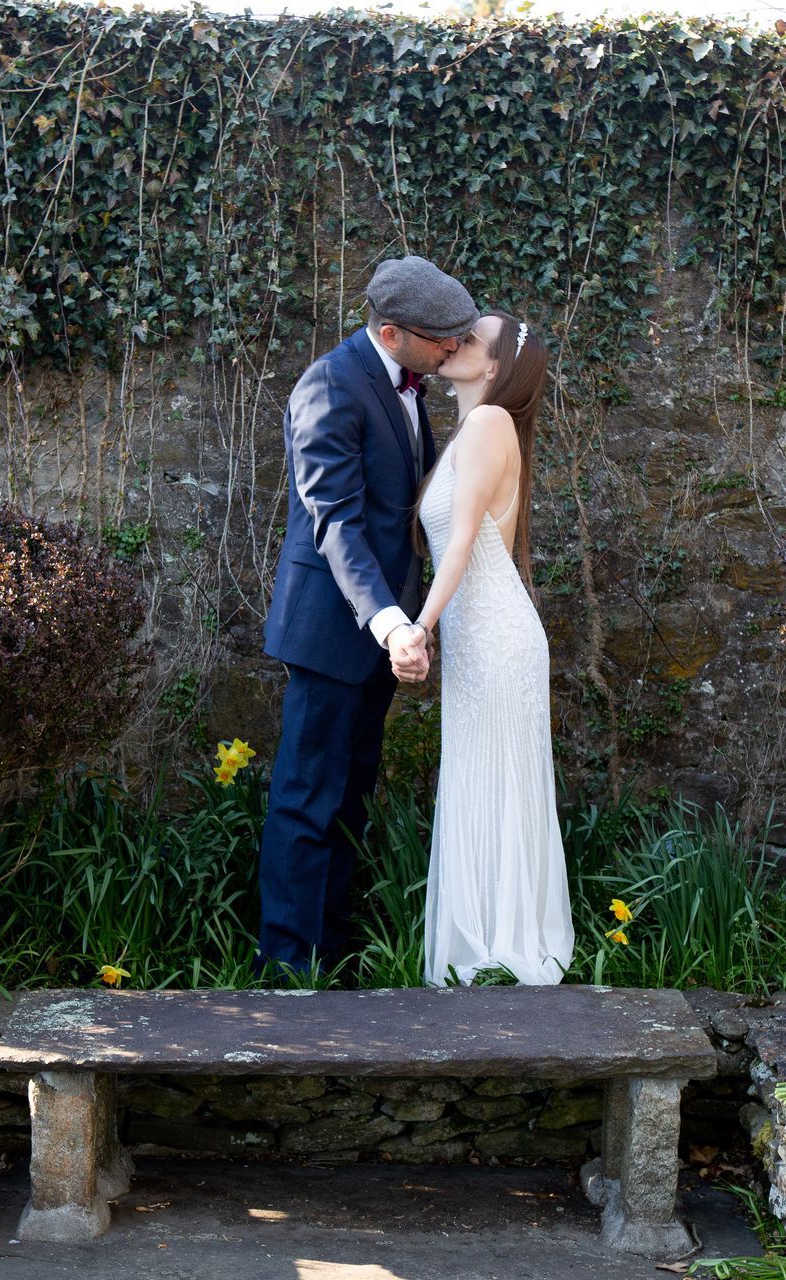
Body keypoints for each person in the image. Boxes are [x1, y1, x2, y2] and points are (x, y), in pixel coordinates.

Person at [256, 255, 478, 977]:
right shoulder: (328, 385)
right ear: (391, 332)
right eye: (441, 338)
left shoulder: (408, 387)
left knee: (349, 799)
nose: (453, 347)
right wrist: (390, 624)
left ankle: (333, 957)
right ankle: (287, 973)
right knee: (306, 801)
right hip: (333, 630)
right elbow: (336, 522)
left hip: (385, 633)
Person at [412, 311, 574, 986]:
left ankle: (501, 948)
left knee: (499, 784)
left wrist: (417, 626)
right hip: (481, 640)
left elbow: (459, 547)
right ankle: (485, 947)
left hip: (497, 640)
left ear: (494, 367)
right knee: (482, 781)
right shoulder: (472, 430)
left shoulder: (487, 426)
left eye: (470, 340)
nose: (453, 342)